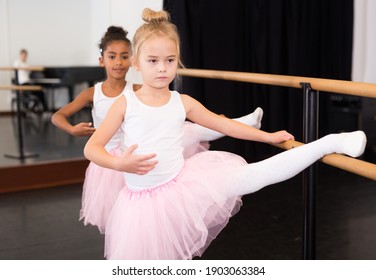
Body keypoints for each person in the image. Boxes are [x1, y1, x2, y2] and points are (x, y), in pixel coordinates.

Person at [84, 8, 367, 260]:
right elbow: (92, 148)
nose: (162, 68)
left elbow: (225, 125)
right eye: (153, 60)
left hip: (183, 185)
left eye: (169, 60)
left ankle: (331, 142)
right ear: (136, 62)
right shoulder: (125, 104)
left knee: (252, 177)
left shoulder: (183, 102)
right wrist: (120, 164)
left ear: (178, 60)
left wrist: (267, 137)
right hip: (142, 205)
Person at [51, 26, 264, 234]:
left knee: (191, 131)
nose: (118, 62)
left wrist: (227, 123)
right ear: (103, 60)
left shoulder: (140, 91)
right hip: (115, 155)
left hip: (140, 153)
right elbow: (66, 122)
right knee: (125, 214)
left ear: (131, 60)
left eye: (123, 56)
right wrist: (72, 129)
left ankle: (244, 121)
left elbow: (156, 112)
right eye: (112, 57)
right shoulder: (98, 94)